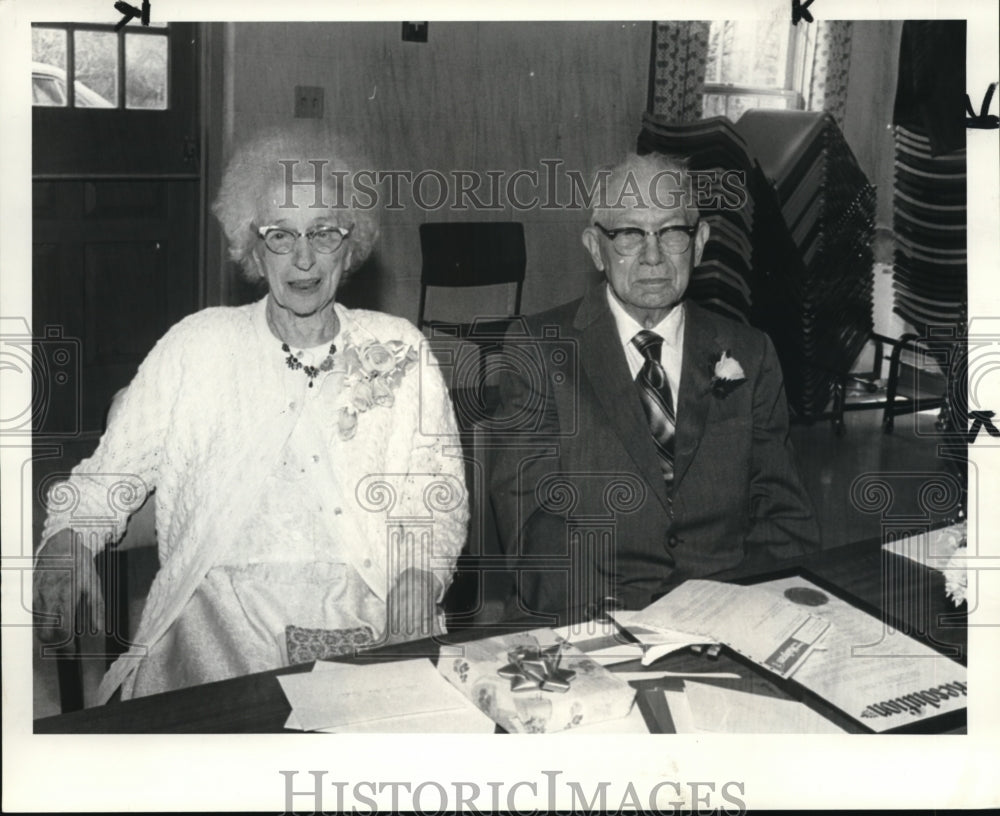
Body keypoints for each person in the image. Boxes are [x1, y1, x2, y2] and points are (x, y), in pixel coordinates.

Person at [33, 126, 468, 702]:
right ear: (253, 247)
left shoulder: (400, 349)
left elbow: (437, 495)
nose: (304, 258)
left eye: (323, 232)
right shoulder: (198, 345)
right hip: (216, 621)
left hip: (366, 612)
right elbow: (111, 473)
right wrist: (67, 539)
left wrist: (418, 573)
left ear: (351, 240)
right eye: (281, 235)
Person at [489, 152, 819, 623]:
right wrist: (615, 626)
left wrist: (742, 610)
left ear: (700, 242)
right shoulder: (539, 351)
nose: (652, 256)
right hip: (595, 617)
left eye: (671, 232)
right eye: (628, 234)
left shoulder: (751, 351)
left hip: (727, 611)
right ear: (594, 247)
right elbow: (535, 527)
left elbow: (785, 517)